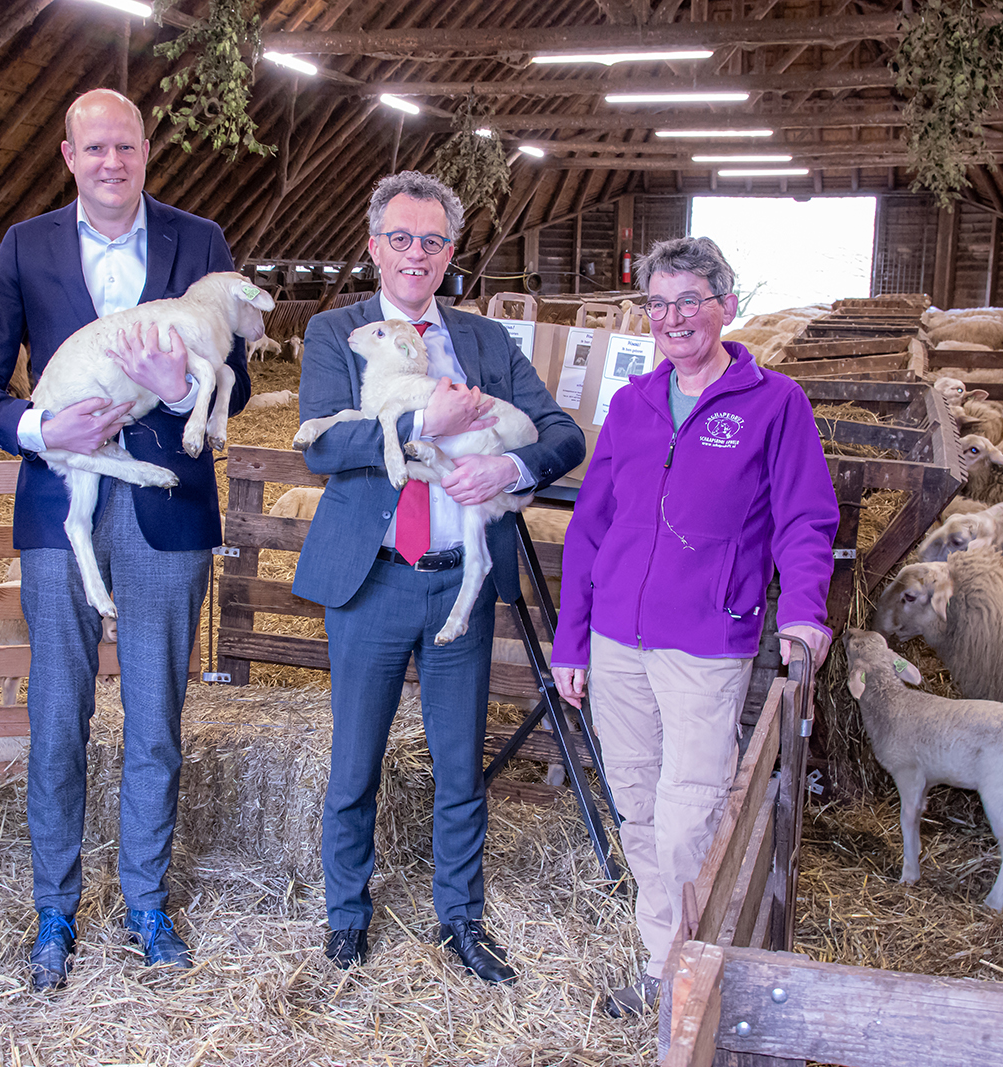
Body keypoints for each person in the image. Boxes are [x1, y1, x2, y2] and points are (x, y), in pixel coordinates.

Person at [0, 88, 250, 988]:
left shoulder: (201, 243)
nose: (112, 162)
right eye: (95, 148)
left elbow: (241, 361)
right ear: (68, 155)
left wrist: (187, 380)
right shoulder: (25, 246)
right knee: (56, 717)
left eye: (126, 145)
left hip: (169, 501)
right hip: (63, 504)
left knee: (156, 713)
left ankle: (146, 901)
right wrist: (42, 429)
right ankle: (55, 910)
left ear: (146, 151)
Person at [293, 171, 585, 984]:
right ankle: (347, 913)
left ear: (450, 252)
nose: (414, 255)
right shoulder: (336, 332)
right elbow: (321, 446)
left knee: (462, 764)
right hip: (374, 579)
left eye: (431, 241)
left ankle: (461, 916)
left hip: (460, 581)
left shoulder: (485, 339)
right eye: (400, 238)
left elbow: (564, 435)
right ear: (373, 245)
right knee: (355, 761)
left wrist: (510, 466)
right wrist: (426, 422)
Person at [551, 237, 837, 1027]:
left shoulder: (775, 403)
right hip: (615, 642)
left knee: (691, 814)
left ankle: (690, 973)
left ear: (726, 308)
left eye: (689, 301)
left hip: (707, 643)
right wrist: (572, 641)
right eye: (658, 303)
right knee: (638, 808)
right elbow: (590, 529)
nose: (672, 317)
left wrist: (804, 611)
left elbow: (806, 518)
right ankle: (663, 963)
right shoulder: (635, 404)